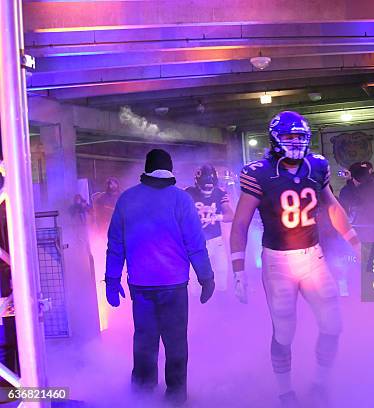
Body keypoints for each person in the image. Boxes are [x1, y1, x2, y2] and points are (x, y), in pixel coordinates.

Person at [230, 111, 360, 407]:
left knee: (332, 325)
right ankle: (284, 390)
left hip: (313, 256)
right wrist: (239, 270)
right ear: (275, 139)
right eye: (289, 137)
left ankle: (320, 383)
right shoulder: (259, 172)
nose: (295, 142)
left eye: (300, 137)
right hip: (277, 262)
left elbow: (332, 206)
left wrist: (356, 243)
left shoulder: (317, 166)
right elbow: (240, 224)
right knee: (285, 331)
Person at [104, 149, 215, 405]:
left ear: (146, 169)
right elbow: (195, 243)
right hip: (174, 285)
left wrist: (112, 280)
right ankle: (175, 397)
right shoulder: (181, 200)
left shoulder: (127, 200)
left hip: (141, 286)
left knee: (144, 340)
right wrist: (205, 277)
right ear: (170, 169)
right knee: (176, 342)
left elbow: (115, 244)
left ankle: (142, 395)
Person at [185, 163, 234, 291]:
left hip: (216, 241)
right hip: (195, 242)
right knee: (194, 279)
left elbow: (230, 215)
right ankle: (197, 306)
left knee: (221, 273)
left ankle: (219, 303)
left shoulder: (220, 193)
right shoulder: (188, 193)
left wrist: (217, 217)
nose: (207, 191)